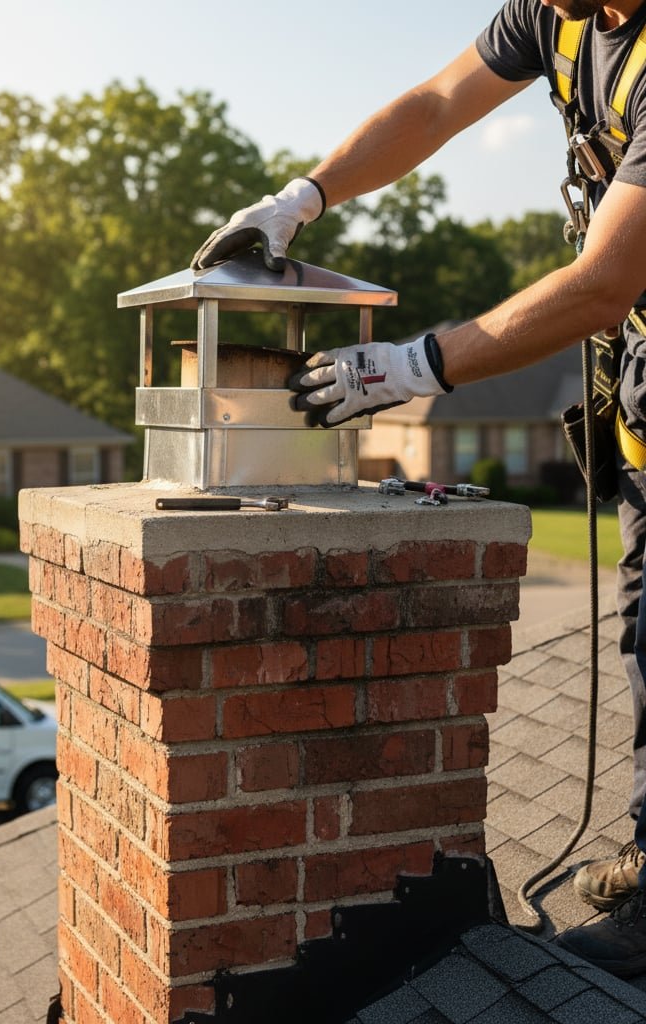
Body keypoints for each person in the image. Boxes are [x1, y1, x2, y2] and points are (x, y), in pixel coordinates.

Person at [192, 0, 646, 978]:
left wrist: (409, 369)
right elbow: (438, 100)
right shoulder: (556, 14)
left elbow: (605, 282)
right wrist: (300, 197)